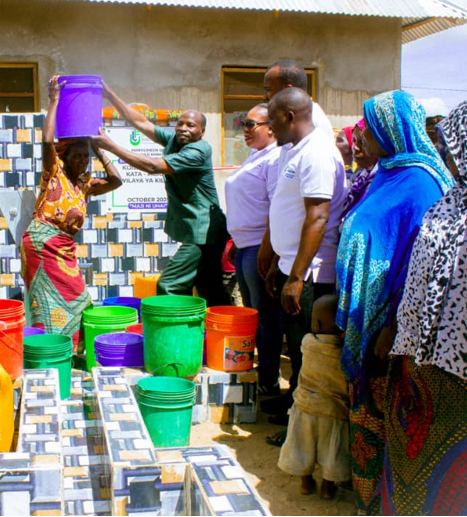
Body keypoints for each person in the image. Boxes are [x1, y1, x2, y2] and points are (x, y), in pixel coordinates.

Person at [334, 90, 454, 514]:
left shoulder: (423, 182)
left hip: (390, 326)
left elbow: (419, 262)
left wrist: (392, 326)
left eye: (368, 126)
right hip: (364, 318)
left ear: (392, 128)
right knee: (363, 410)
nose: (361, 135)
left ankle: (377, 500)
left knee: (383, 416)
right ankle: (364, 494)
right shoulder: (386, 173)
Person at [384, 97, 467, 515]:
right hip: (426, 366)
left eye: (452, 146)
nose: (446, 156)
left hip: (465, 377)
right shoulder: (454, 203)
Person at [91, 82, 229, 307]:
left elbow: (153, 167)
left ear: (201, 132)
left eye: (191, 125)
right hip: (202, 232)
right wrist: (109, 94)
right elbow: (141, 122)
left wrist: (110, 146)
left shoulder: (198, 150)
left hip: (204, 233)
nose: (183, 128)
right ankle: (223, 334)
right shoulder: (175, 141)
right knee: (210, 289)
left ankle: (174, 336)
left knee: (170, 285)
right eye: (180, 123)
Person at [260, 88, 346, 432]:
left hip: (311, 273)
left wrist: (296, 278)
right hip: (292, 265)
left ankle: (303, 431)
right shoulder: (295, 151)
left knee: (307, 352)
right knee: (296, 350)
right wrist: (279, 262)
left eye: (272, 120)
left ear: (290, 117)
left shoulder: (318, 153)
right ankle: (296, 406)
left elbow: (318, 218)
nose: (270, 128)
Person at [21, 75, 122, 344]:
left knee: (79, 300)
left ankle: (73, 349)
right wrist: (54, 101)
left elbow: (116, 180)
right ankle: (51, 351)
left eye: (85, 156)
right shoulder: (53, 173)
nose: (82, 160)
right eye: (77, 155)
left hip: (64, 247)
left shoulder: (85, 184)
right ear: (64, 156)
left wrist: (99, 149)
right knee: (45, 302)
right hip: (42, 244)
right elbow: (46, 141)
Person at [224, 103, 284, 395]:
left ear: (271, 128)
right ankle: (262, 374)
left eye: (251, 124)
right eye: (243, 123)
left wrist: (266, 249)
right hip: (246, 247)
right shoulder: (256, 156)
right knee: (253, 315)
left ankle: (269, 380)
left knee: (265, 318)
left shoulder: (274, 160)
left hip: (261, 248)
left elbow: (276, 207)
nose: (244, 130)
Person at [278, 294, 350, 500]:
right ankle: (328, 487)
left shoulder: (308, 342)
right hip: (334, 411)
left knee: (303, 446)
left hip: (305, 407)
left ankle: (306, 482)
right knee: (333, 451)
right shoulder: (344, 351)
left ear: (316, 323)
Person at [262, 59, 334, 140]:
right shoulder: (295, 118)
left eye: (268, 90)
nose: (265, 96)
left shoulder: (311, 121)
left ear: (287, 90)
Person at [341, 118, 378, 219]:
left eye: (362, 143)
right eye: (354, 141)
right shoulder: (362, 176)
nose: (356, 148)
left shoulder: (382, 181)